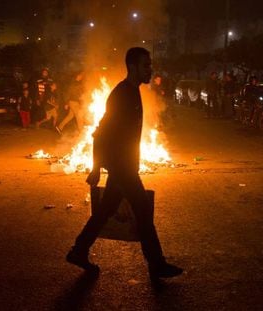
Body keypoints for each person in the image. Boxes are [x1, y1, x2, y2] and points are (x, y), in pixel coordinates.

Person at [66, 47, 183, 281]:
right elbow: (100, 132)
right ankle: (156, 264)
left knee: (105, 211)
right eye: (146, 65)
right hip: (122, 167)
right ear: (133, 67)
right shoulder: (121, 95)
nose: (150, 69)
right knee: (143, 211)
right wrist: (96, 167)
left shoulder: (133, 91)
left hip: (125, 165)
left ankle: (78, 251)